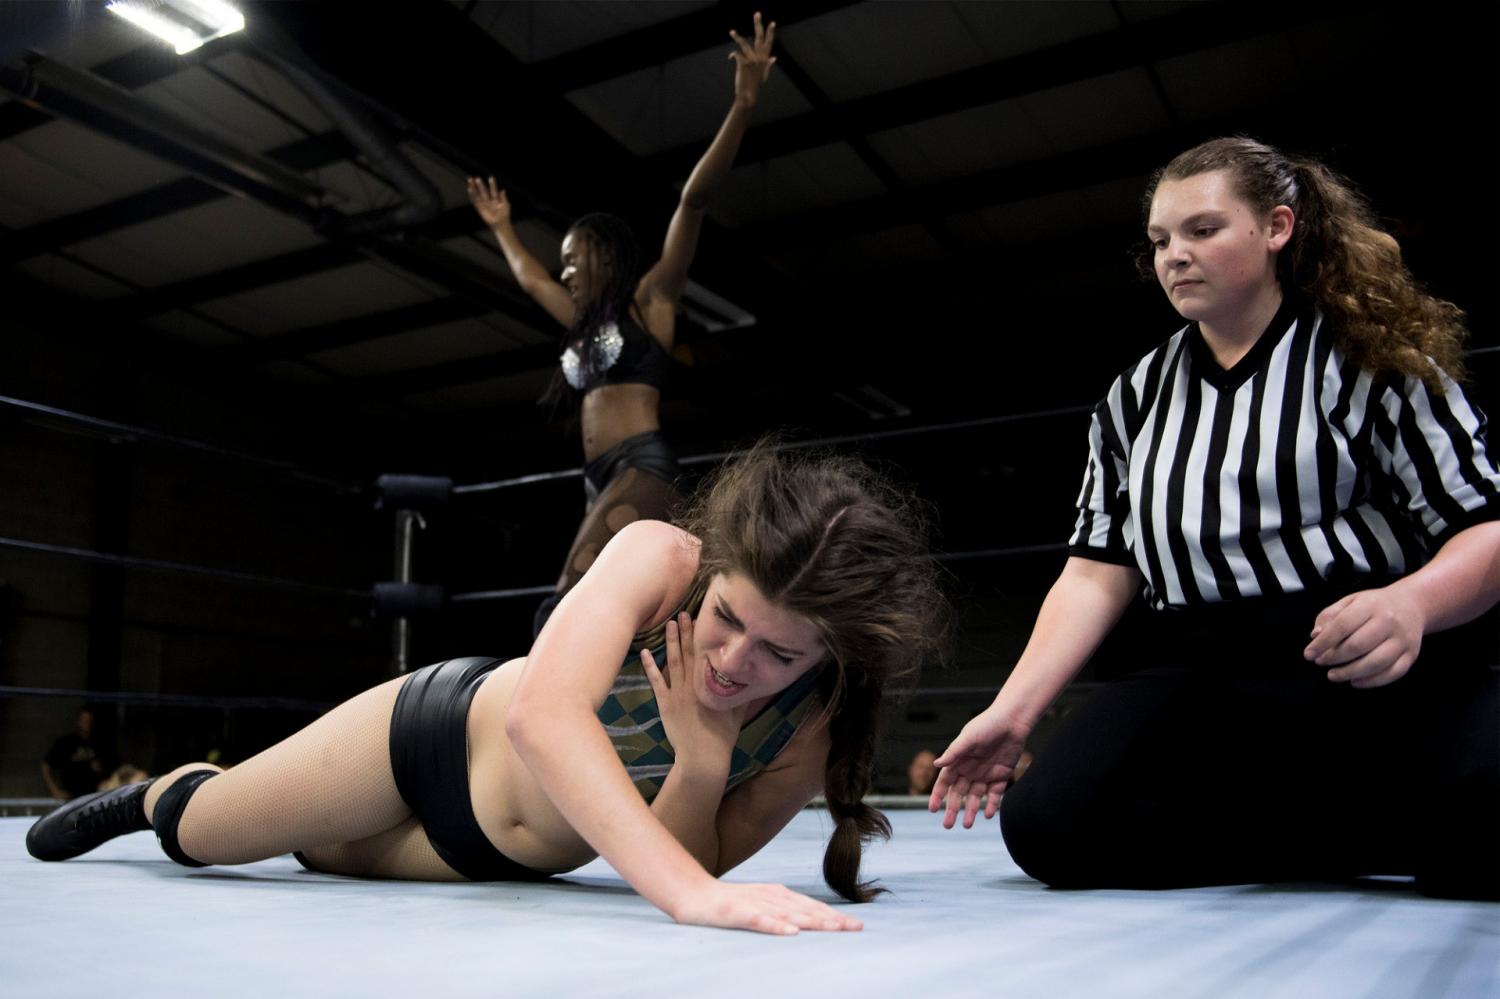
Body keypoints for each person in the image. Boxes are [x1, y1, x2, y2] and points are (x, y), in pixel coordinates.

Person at [27, 446, 947, 935]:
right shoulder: (660, 559)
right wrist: (690, 898)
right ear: (718, 573)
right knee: (201, 839)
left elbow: (678, 860)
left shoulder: (806, 730)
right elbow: (543, 716)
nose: (735, 661)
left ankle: (249, 805)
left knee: (319, 854)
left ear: (827, 657)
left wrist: (703, 764)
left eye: (779, 653)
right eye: (728, 618)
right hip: (426, 738)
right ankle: (160, 793)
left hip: (501, 854)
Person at [930, 137, 1500, 901]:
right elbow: (1096, 571)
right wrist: (1012, 710)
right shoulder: (1134, 397)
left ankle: (1341, 825)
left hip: (1365, 658)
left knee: (1485, 824)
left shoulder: (1372, 360)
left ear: (1277, 228)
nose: (1175, 256)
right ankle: (1339, 833)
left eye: (1202, 230)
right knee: (1048, 825)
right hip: (1205, 671)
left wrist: (1413, 602)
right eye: (1160, 240)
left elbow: (1485, 525)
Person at [466, 14, 779, 636]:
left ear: (604, 257)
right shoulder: (584, 324)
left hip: (642, 466)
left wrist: (742, 106)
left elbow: (692, 201)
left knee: (564, 606)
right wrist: (501, 228)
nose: (565, 273)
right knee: (624, 618)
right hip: (599, 478)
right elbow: (530, 280)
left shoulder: (650, 302)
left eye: (572, 260)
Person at [41, 707, 112, 801]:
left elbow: (113, 773)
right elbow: (46, 766)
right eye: (84, 720)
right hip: (70, 798)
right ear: (78, 721)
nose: (87, 723)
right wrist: (55, 791)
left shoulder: (101, 744)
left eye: (89, 720)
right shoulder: (66, 743)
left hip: (94, 798)